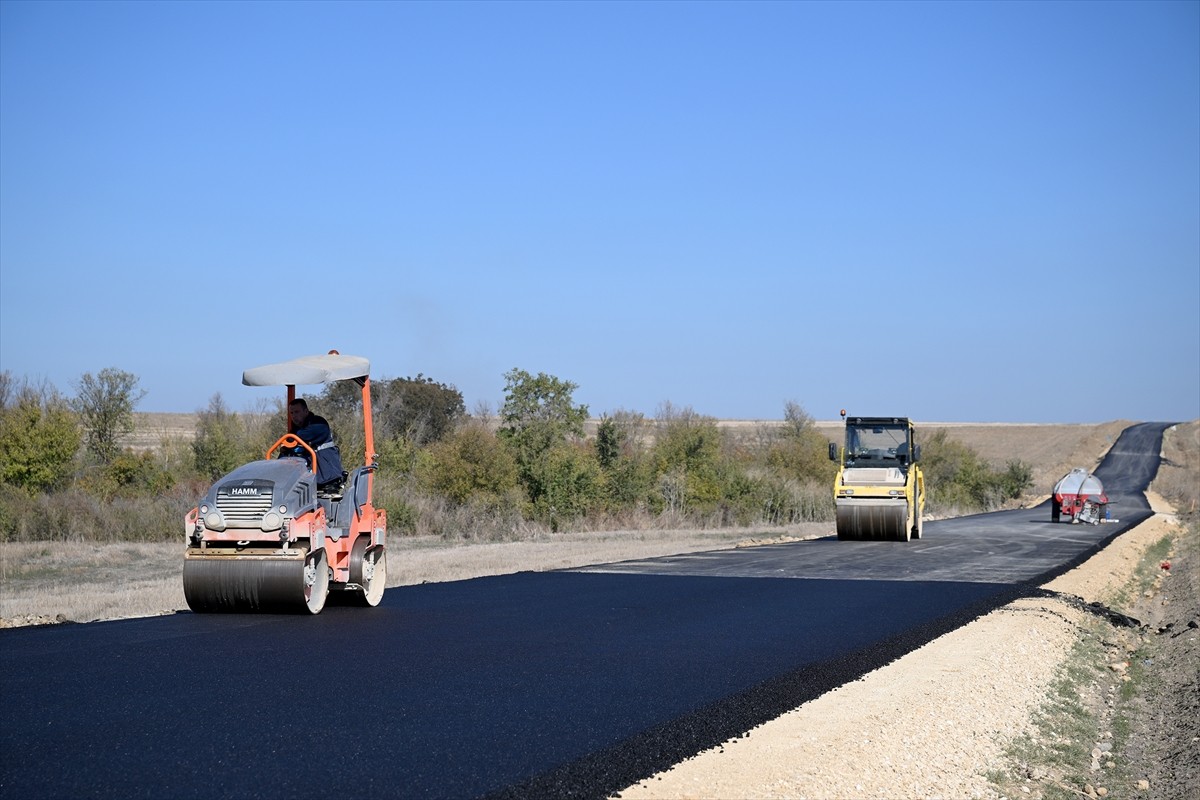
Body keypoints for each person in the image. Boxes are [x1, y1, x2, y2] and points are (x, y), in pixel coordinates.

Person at [285, 398, 345, 491]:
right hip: (307, 476)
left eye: (297, 412)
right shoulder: (296, 429)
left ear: (306, 411)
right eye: (291, 413)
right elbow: (289, 442)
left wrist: (291, 438)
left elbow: (304, 435)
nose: (294, 416)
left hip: (327, 473)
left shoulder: (318, 423)